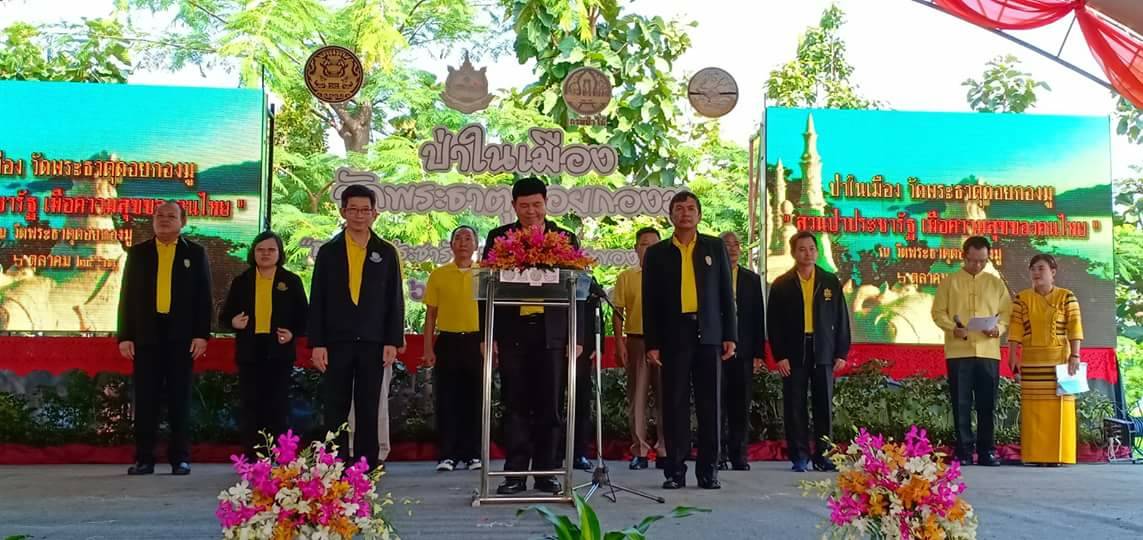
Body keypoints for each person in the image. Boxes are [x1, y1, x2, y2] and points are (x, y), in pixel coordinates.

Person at [480, 177, 584, 496]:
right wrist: (487, 334)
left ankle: (546, 472)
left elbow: (578, 290)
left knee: (550, 405)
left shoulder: (563, 238)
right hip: (512, 332)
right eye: (524, 205)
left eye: (537, 204)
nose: (531, 211)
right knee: (515, 404)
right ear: (513, 206)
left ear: (546, 203)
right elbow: (485, 289)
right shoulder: (500, 237)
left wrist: (577, 336)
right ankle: (514, 473)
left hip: (552, 332)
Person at [643, 191, 737, 490]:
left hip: (708, 334)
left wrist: (730, 335)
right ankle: (675, 470)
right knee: (674, 404)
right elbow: (650, 302)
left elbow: (726, 294)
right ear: (671, 215)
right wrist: (652, 342)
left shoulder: (714, 247)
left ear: (699, 214)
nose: (686, 213)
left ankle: (709, 471)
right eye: (680, 208)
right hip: (674, 335)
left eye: (691, 208)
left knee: (711, 404)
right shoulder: (657, 253)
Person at [309, 185, 404, 472]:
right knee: (335, 405)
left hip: (373, 341)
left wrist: (392, 341)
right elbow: (318, 299)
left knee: (368, 405)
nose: (359, 215)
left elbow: (394, 299)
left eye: (365, 210)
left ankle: (366, 465)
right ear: (343, 212)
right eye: (353, 209)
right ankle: (333, 464)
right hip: (336, 341)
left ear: (375, 214)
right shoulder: (329, 251)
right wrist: (317, 343)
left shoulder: (385, 252)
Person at [117, 201, 212, 476]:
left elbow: (204, 298)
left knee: (179, 400)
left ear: (183, 222)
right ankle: (144, 459)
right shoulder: (138, 253)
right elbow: (126, 297)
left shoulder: (195, 253)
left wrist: (201, 335)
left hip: (181, 337)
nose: (164, 219)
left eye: (171, 216)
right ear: (153, 220)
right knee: (146, 399)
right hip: (146, 336)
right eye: (159, 215)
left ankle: (180, 458)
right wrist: (125, 336)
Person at [219, 231, 308, 459]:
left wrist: (292, 333)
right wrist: (233, 322)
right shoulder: (242, 281)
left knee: (278, 405)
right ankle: (253, 456)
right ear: (253, 253)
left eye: (271, 250)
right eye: (260, 250)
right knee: (251, 405)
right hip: (250, 351)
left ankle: (280, 456)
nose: (265, 254)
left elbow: (305, 318)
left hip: (279, 351)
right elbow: (225, 317)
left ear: (279, 253)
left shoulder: (291, 281)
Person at [767, 231, 849, 473]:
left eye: (812, 249)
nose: (808, 253)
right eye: (802, 249)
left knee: (823, 406)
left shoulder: (829, 281)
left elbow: (841, 319)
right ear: (794, 253)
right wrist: (780, 355)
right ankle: (799, 456)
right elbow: (774, 324)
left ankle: (824, 456)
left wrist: (841, 352)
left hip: (823, 350)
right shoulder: (782, 284)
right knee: (795, 406)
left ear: (817, 251)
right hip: (794, 352)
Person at [931, 236, 1012, 466]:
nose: (978, 265)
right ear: (963, 256)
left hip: (988, 352)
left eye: (983, 261)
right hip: (959, 351)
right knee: (961, 403)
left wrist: (998, 329)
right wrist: (952, 328)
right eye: (973, 260)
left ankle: (987, 451)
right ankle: (964, 451)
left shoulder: (996, 283)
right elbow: (938, 312)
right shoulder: (949, 282)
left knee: (987, 404)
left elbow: (1007, 313)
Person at [1008, 254, 1083, 466]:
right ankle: (1036, 456)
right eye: (1033, 269)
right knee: (1034, 410)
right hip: (1032, 362)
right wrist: (1012, 355)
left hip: (1060, 361)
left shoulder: (1067, 297)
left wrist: (1075, 355)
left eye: (1041, 268)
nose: (1036, 273)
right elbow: (1015, 329)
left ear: (1053, 272)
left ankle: (1059, 456)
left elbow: (1074, 326)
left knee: (1060, 408)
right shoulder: (1022, 298)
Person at [422, 225, 483, 472]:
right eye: (458, 238)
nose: (463, 243)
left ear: (476, 245)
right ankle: (447, 455)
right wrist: (428, 348)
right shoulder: (439, 275)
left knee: (475, 400)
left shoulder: (485, 274)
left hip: (477, 342)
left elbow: (494, 313)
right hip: (447, 341)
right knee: (447, 400)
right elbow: (430, 315)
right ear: (451, 245)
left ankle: (473, 454)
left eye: (468, 238)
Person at [613, 227, 666, 471]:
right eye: (645, 244)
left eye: (654, 244)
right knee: (637, 397)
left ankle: (665, 448)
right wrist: (619, 342)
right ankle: (640, 450)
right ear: (636, 249)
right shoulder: (626, 277)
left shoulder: (670, 274)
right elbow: (618, 311)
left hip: (665, 343)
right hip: (637, 340)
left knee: (666, 396)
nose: (650, 249)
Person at [718, 231, 765, 472]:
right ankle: (717, 453)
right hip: (717, 350)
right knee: (717, 404)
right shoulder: (711, 275)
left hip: (745, 352)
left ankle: (739, 455)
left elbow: (758, 318)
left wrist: (758, 353)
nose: (733, 249)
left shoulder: (751, 279)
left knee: (740, 405)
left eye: (736, 244)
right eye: (727, 245)